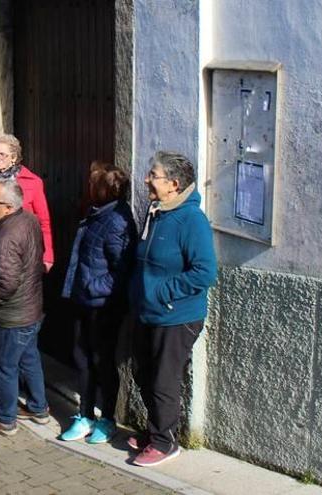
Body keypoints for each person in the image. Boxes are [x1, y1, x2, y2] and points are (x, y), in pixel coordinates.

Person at [128, 151, 217, 467]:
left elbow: (205, 272)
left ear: (174, 184)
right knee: (144, 373)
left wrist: (161, 292)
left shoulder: (191, 220)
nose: (146, 180)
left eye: (153, 175)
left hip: (176, 315)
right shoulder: (158, 212)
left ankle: (166, 443)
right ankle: (155, 431)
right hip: (148, 311)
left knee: (164, 380)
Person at [59, 167, 136, 444]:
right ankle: (85, 415)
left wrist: (92, 288)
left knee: (102, 362)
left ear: (106, 190)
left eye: (93, 184)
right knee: (82, 358)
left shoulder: (116, 221)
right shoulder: (97, 214)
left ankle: (107, 419)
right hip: (83, 300)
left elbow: (122, 270)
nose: (88, 188)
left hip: (103, 307)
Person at [0, 178, 49, 436]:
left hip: (12, 314)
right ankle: (39, 408)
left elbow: (6, 281)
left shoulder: (6, 235)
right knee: (30, 359)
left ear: (6, 206)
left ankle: (5, 419)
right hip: (31, 309)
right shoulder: (28, 219)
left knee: (5, 367)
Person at [0, 134, 54, 271]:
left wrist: (47, 255)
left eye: (2, 154)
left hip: (23, 247)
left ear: (13, 157)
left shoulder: (33, 182)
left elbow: (44, 221)